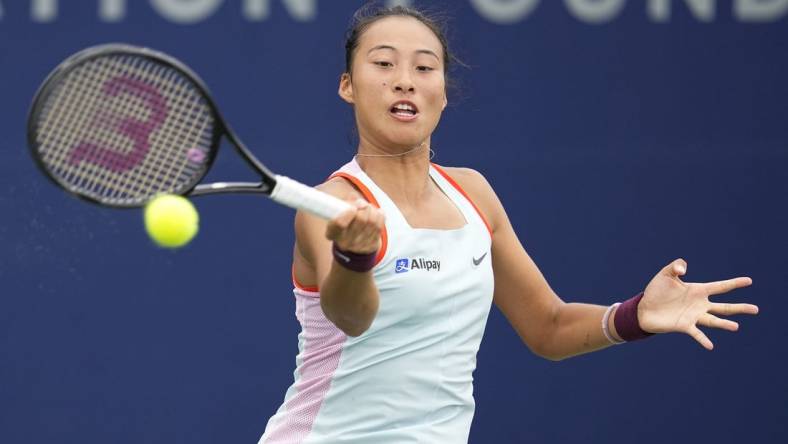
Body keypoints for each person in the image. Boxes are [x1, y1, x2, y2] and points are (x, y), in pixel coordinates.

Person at [259, 5, 759, 444]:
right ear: (348, 85)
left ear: (443, 93)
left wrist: (636, 315)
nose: (404, 79)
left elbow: (548, 327)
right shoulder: (329, 206)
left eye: (424, 67)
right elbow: (351, 317)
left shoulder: (473, 194)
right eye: (383, 63)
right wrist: (354, 257)